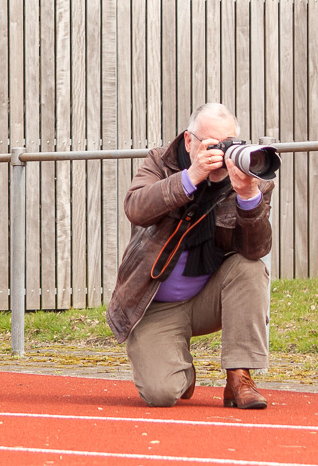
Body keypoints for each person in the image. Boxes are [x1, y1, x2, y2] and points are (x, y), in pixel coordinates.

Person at [107, 103, 274, 409]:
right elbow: (136, 208)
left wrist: (248, 197)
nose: (222, 154)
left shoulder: (250, 179)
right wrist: (192, 175)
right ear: (189, 141)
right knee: (161, 394)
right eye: (213, 144)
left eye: (229, 144)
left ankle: (239, 378)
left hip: (208, 298)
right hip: (153, 304)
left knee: (250, 267)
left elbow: (255, 249)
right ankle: (179, 369)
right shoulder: (161, 161)